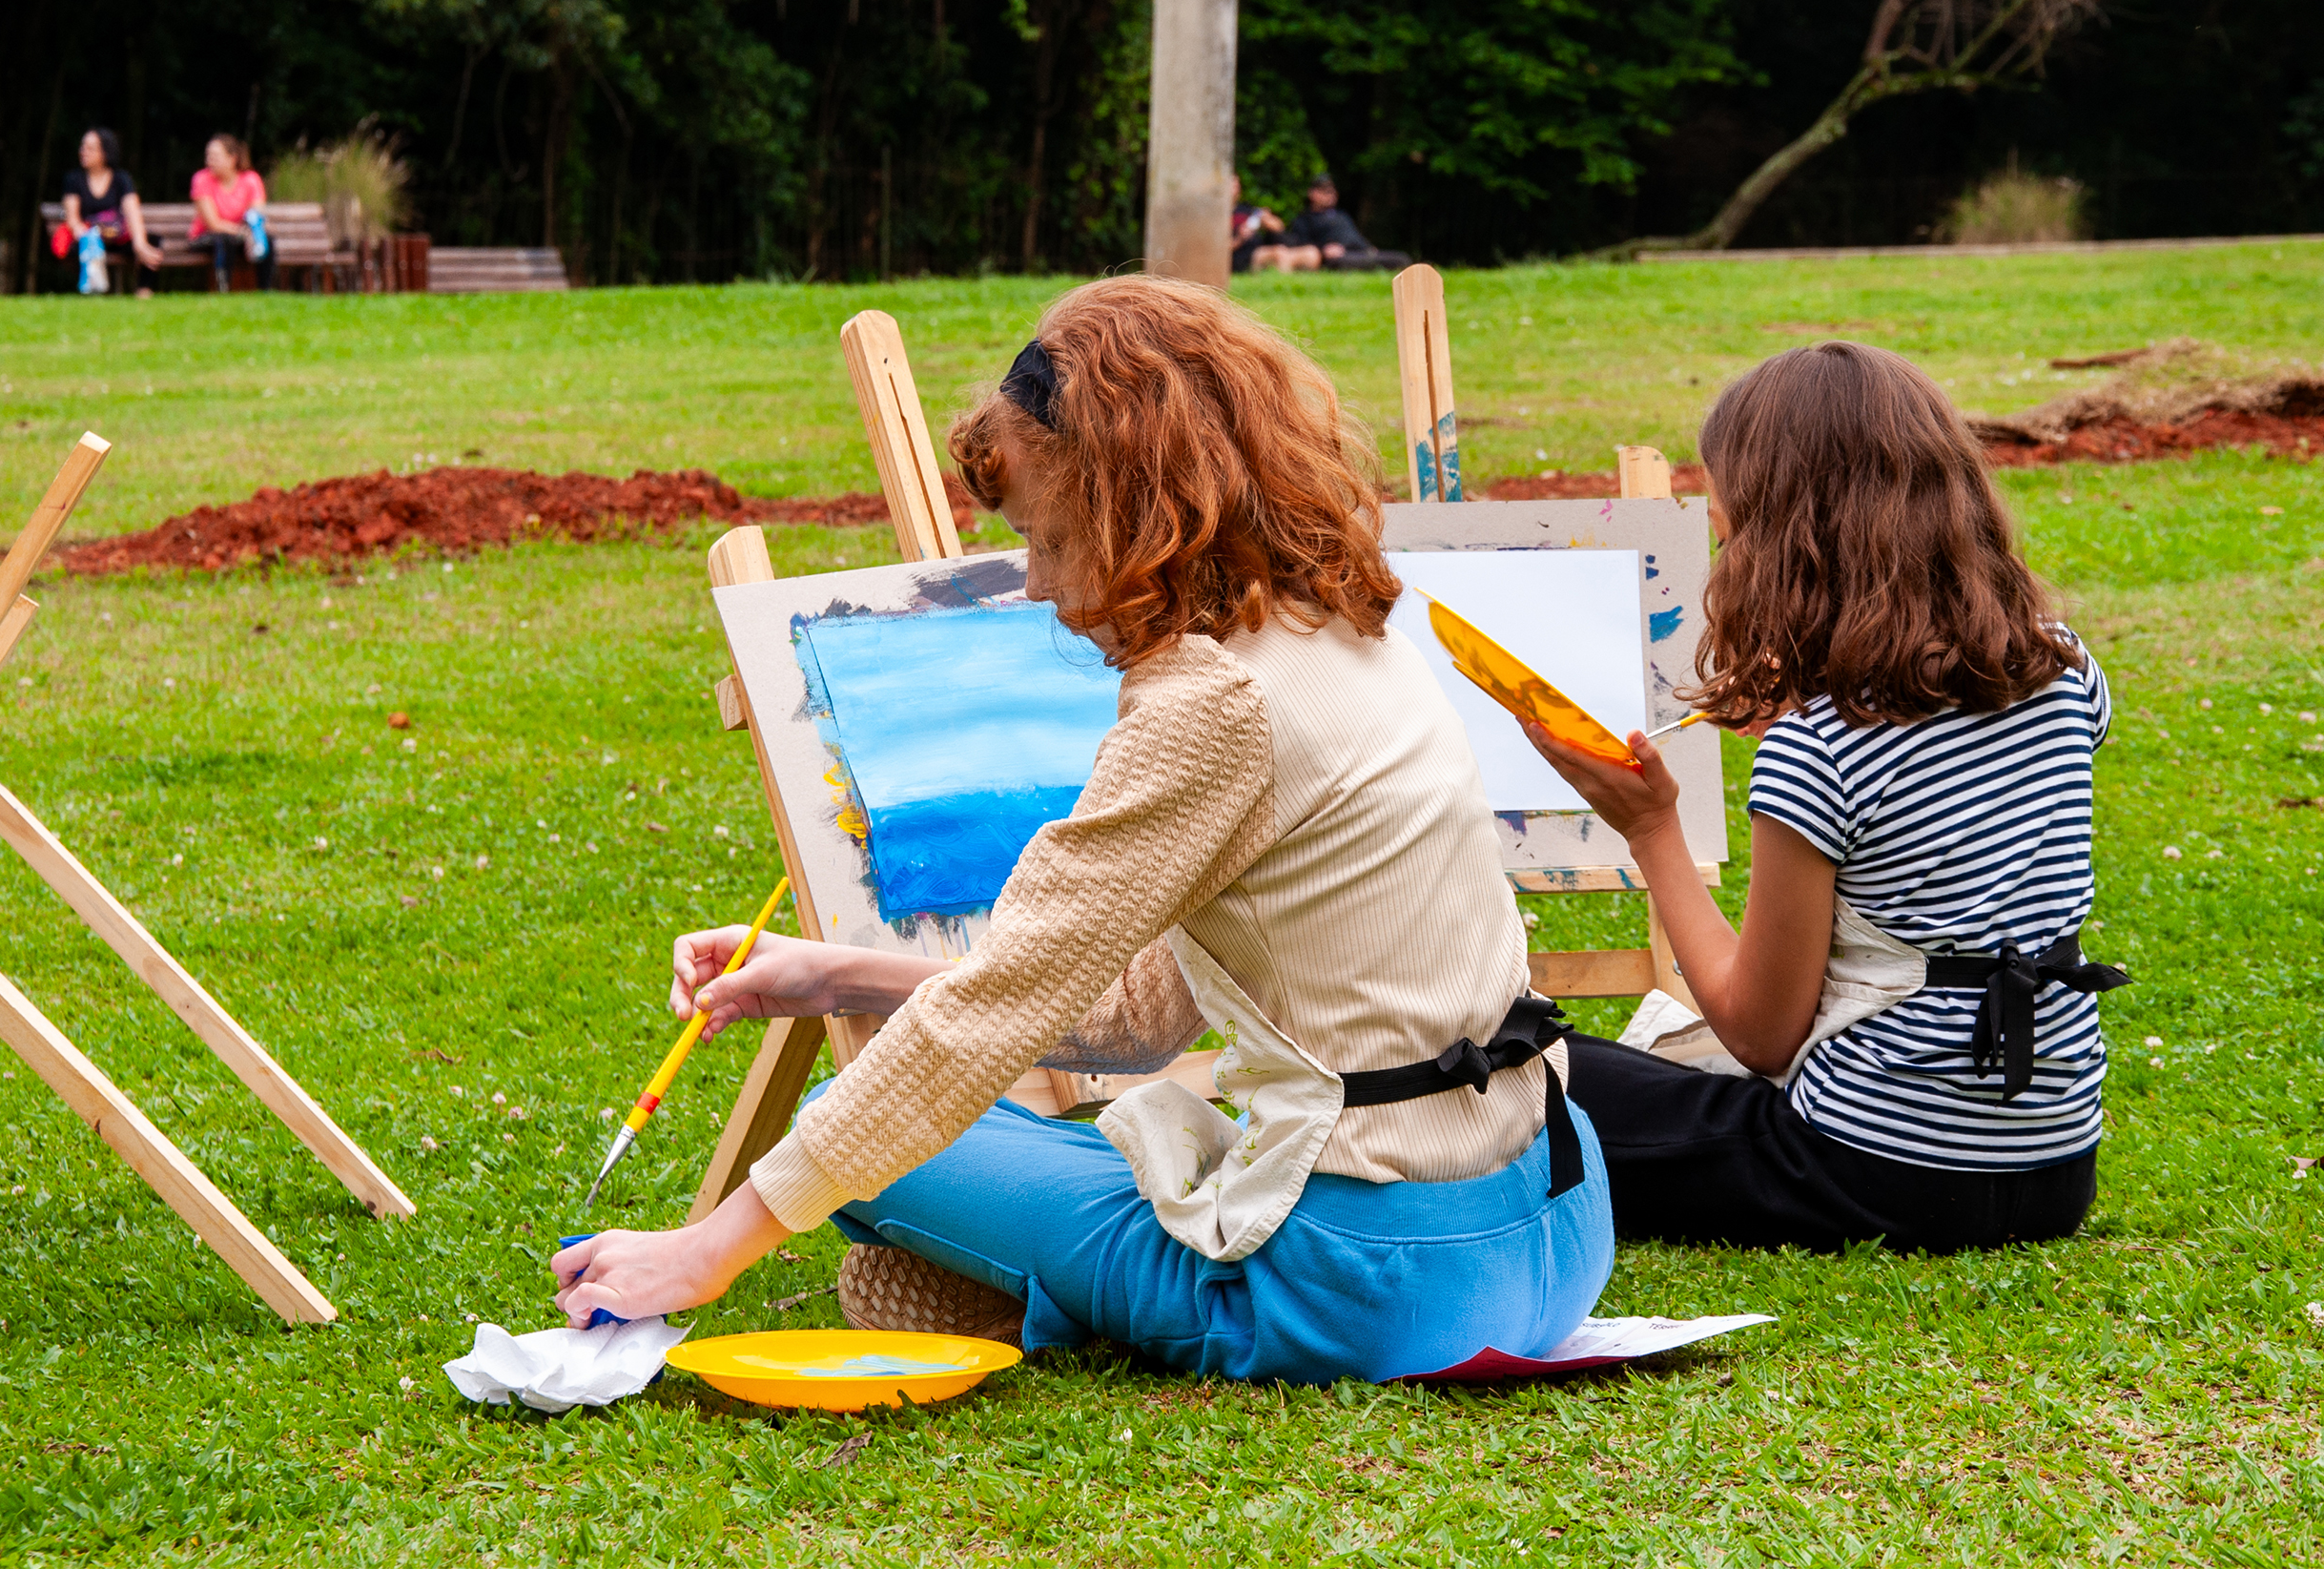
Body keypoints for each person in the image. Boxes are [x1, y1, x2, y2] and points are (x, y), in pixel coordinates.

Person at [554, 279, 1610, 1382]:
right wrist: (836, 975)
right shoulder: (1337, 623)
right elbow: (1139, 1019)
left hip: (1375, 1282)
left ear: (1131, 508)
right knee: (997, 1142)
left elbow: (989, 1018)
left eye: (1047, 539)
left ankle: (1012, 1293)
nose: (1043, 587)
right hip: (1555, 1219)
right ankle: (1002, 1283)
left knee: (862, 1135)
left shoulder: (1208, 702)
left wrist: (703, 1252)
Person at [1521, 341, 2128, 1256]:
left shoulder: (1823, 747)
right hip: (2053, 1170)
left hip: (1868, 1172)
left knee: (1524, 1067)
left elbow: (1762, 1035)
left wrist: (1651, 830)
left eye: (1731, 533)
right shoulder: (2067, 668)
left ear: (1783, 543)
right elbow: (1947, 808)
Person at [60, 128, 162, 295]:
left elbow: (132, 211)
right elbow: (73, 219)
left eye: (90, 148)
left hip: (115, 237)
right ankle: (90, 291)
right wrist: (88, 238)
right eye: (82, 147)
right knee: (79, 247)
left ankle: (144, 291)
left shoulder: (121, 179)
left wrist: (139, 242)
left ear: (105, 152)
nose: (83, 152)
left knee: (151, 241)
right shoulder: (74, 179)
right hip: (89, 238)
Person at [188, 134, 274, 292]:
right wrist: (244, 233)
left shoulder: (251, 180)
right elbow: (213, 224)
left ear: (232, 158)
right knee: (225, 239)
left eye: (215, 156)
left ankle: (265, 291)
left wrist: (254, 233)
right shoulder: (201, 179)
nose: (209, 161)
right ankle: (223, 290)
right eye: (208, 156)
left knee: (267, 238)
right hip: (206, 237)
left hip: (240, 237)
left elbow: (256, 216)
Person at [1279, 174, 1409, 273]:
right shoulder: (1304, 219)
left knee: (1402, 259)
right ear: (1312, 193)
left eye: (1332, 191)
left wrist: (1368, 248)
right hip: (1337, 258)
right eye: (1325, 191)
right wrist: (1323, 250)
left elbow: (1355, 236)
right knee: (1342, 263)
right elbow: (1302, 245)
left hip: (1360, 252)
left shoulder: (1342, 215)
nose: (1331, 195)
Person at [1228, 175, 1313, 273]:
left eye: (1237, 185)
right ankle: (1285, 285)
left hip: (1262, 249)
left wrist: (1267, 219)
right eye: (1232, 185)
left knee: (1310, 252)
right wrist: (1239, 239)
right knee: (1279, 254)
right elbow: (1215, 250)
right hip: (1241, 256)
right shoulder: (1217, 217)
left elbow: (1280, 228)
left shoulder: (1246, 209)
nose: (1236, 188)